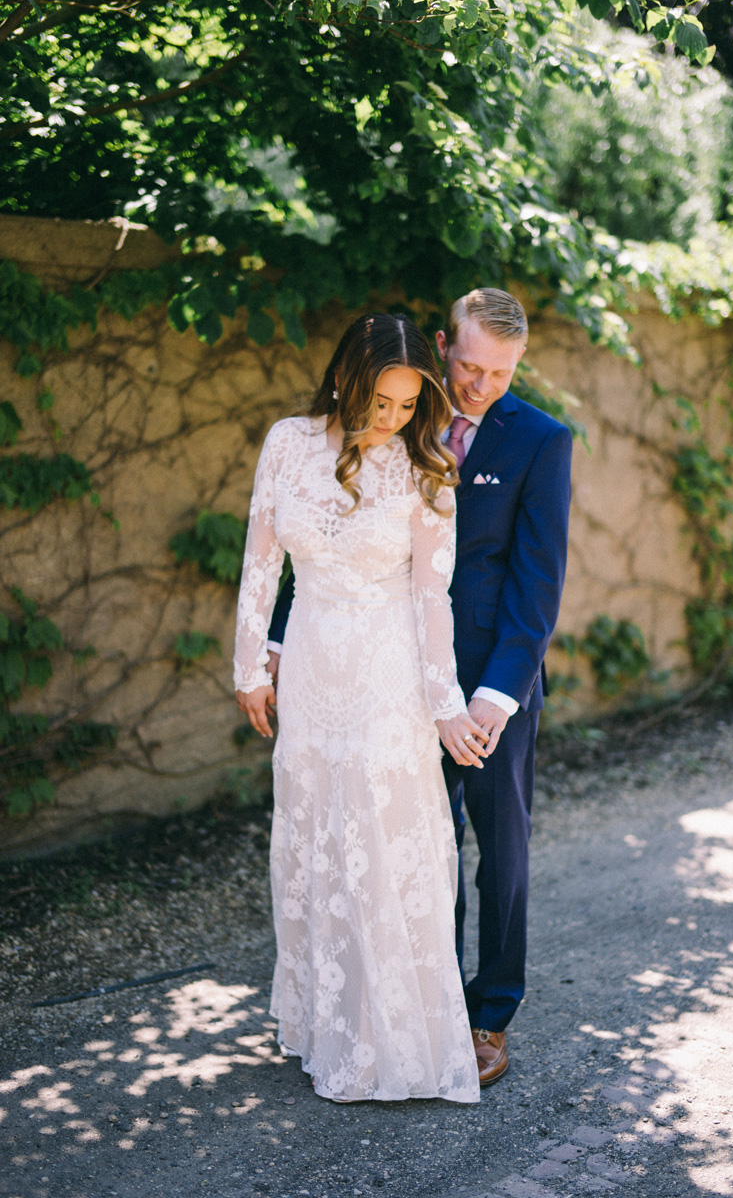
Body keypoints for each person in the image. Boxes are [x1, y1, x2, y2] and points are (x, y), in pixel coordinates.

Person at [233, 312, 486, 1104]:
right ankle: (326, 1024)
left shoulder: (426, 470)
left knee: (380, 843)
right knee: (316, 835)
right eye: (380, 401)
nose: (391, 420)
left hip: (388, 679)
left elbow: (431, 600)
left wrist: (445, 704)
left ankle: (393, 1041)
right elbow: (262, 561)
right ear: (347, 376)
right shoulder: (286, 443)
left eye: (408, 406)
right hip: (309, 666)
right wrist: (250, 664)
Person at [434, 288, 572, 1086]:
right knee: (424, 849)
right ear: (445, 343)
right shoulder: (409, 414)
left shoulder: (542, 440)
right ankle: (433, 1000)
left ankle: (492, 1014)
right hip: (406, 679)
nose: (481, 386)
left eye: (502, 373)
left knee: (502, 857)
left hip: (496, 688)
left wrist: (495, 696)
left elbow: (537, 584)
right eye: (471, 365)